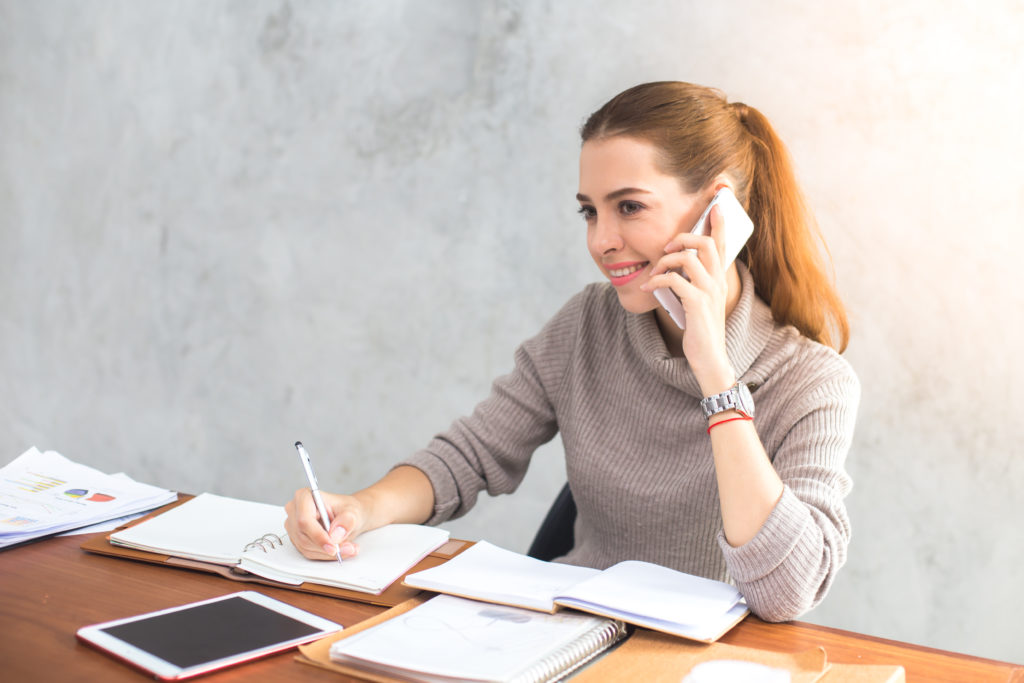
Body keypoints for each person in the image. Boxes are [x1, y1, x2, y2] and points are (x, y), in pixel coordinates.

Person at [285, 81, 859, 622]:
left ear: (718, 212)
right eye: (590, 210)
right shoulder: (587, 324)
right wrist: (360, 509)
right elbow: (470, 454)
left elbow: (786, 592)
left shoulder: (812, 381)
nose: (600, 240)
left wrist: (714, 373)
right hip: (573, 633)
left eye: (629, 207)